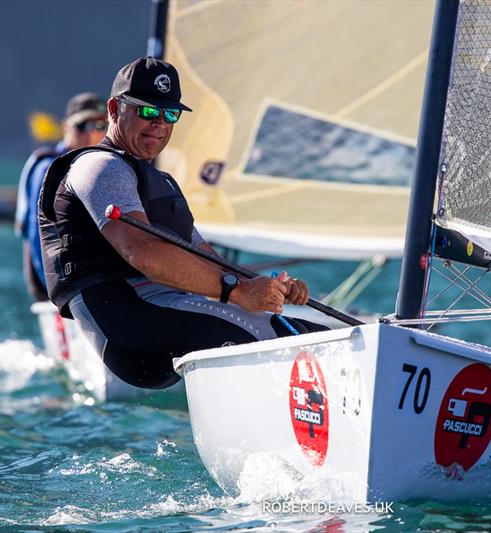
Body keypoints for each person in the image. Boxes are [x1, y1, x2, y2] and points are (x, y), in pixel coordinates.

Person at [37, 57, 326, 389]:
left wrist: (269, 288)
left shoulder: (163, 183)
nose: (159, 124)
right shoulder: (100, 167)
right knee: (281, 337)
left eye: (169, 115)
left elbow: (206, 258)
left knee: (301, 331)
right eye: (147, 111)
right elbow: (143, 254)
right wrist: (238, 290)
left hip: (160, 311)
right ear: (115, 110)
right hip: (130, 322)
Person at [15, 93, 107, 301]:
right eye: (84, 125)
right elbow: (38, 234)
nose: (92, 133)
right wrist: (58, 291)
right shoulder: (49, 169)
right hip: (61, 291)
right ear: (66, 126)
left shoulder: (104, 168)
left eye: (100, 126)